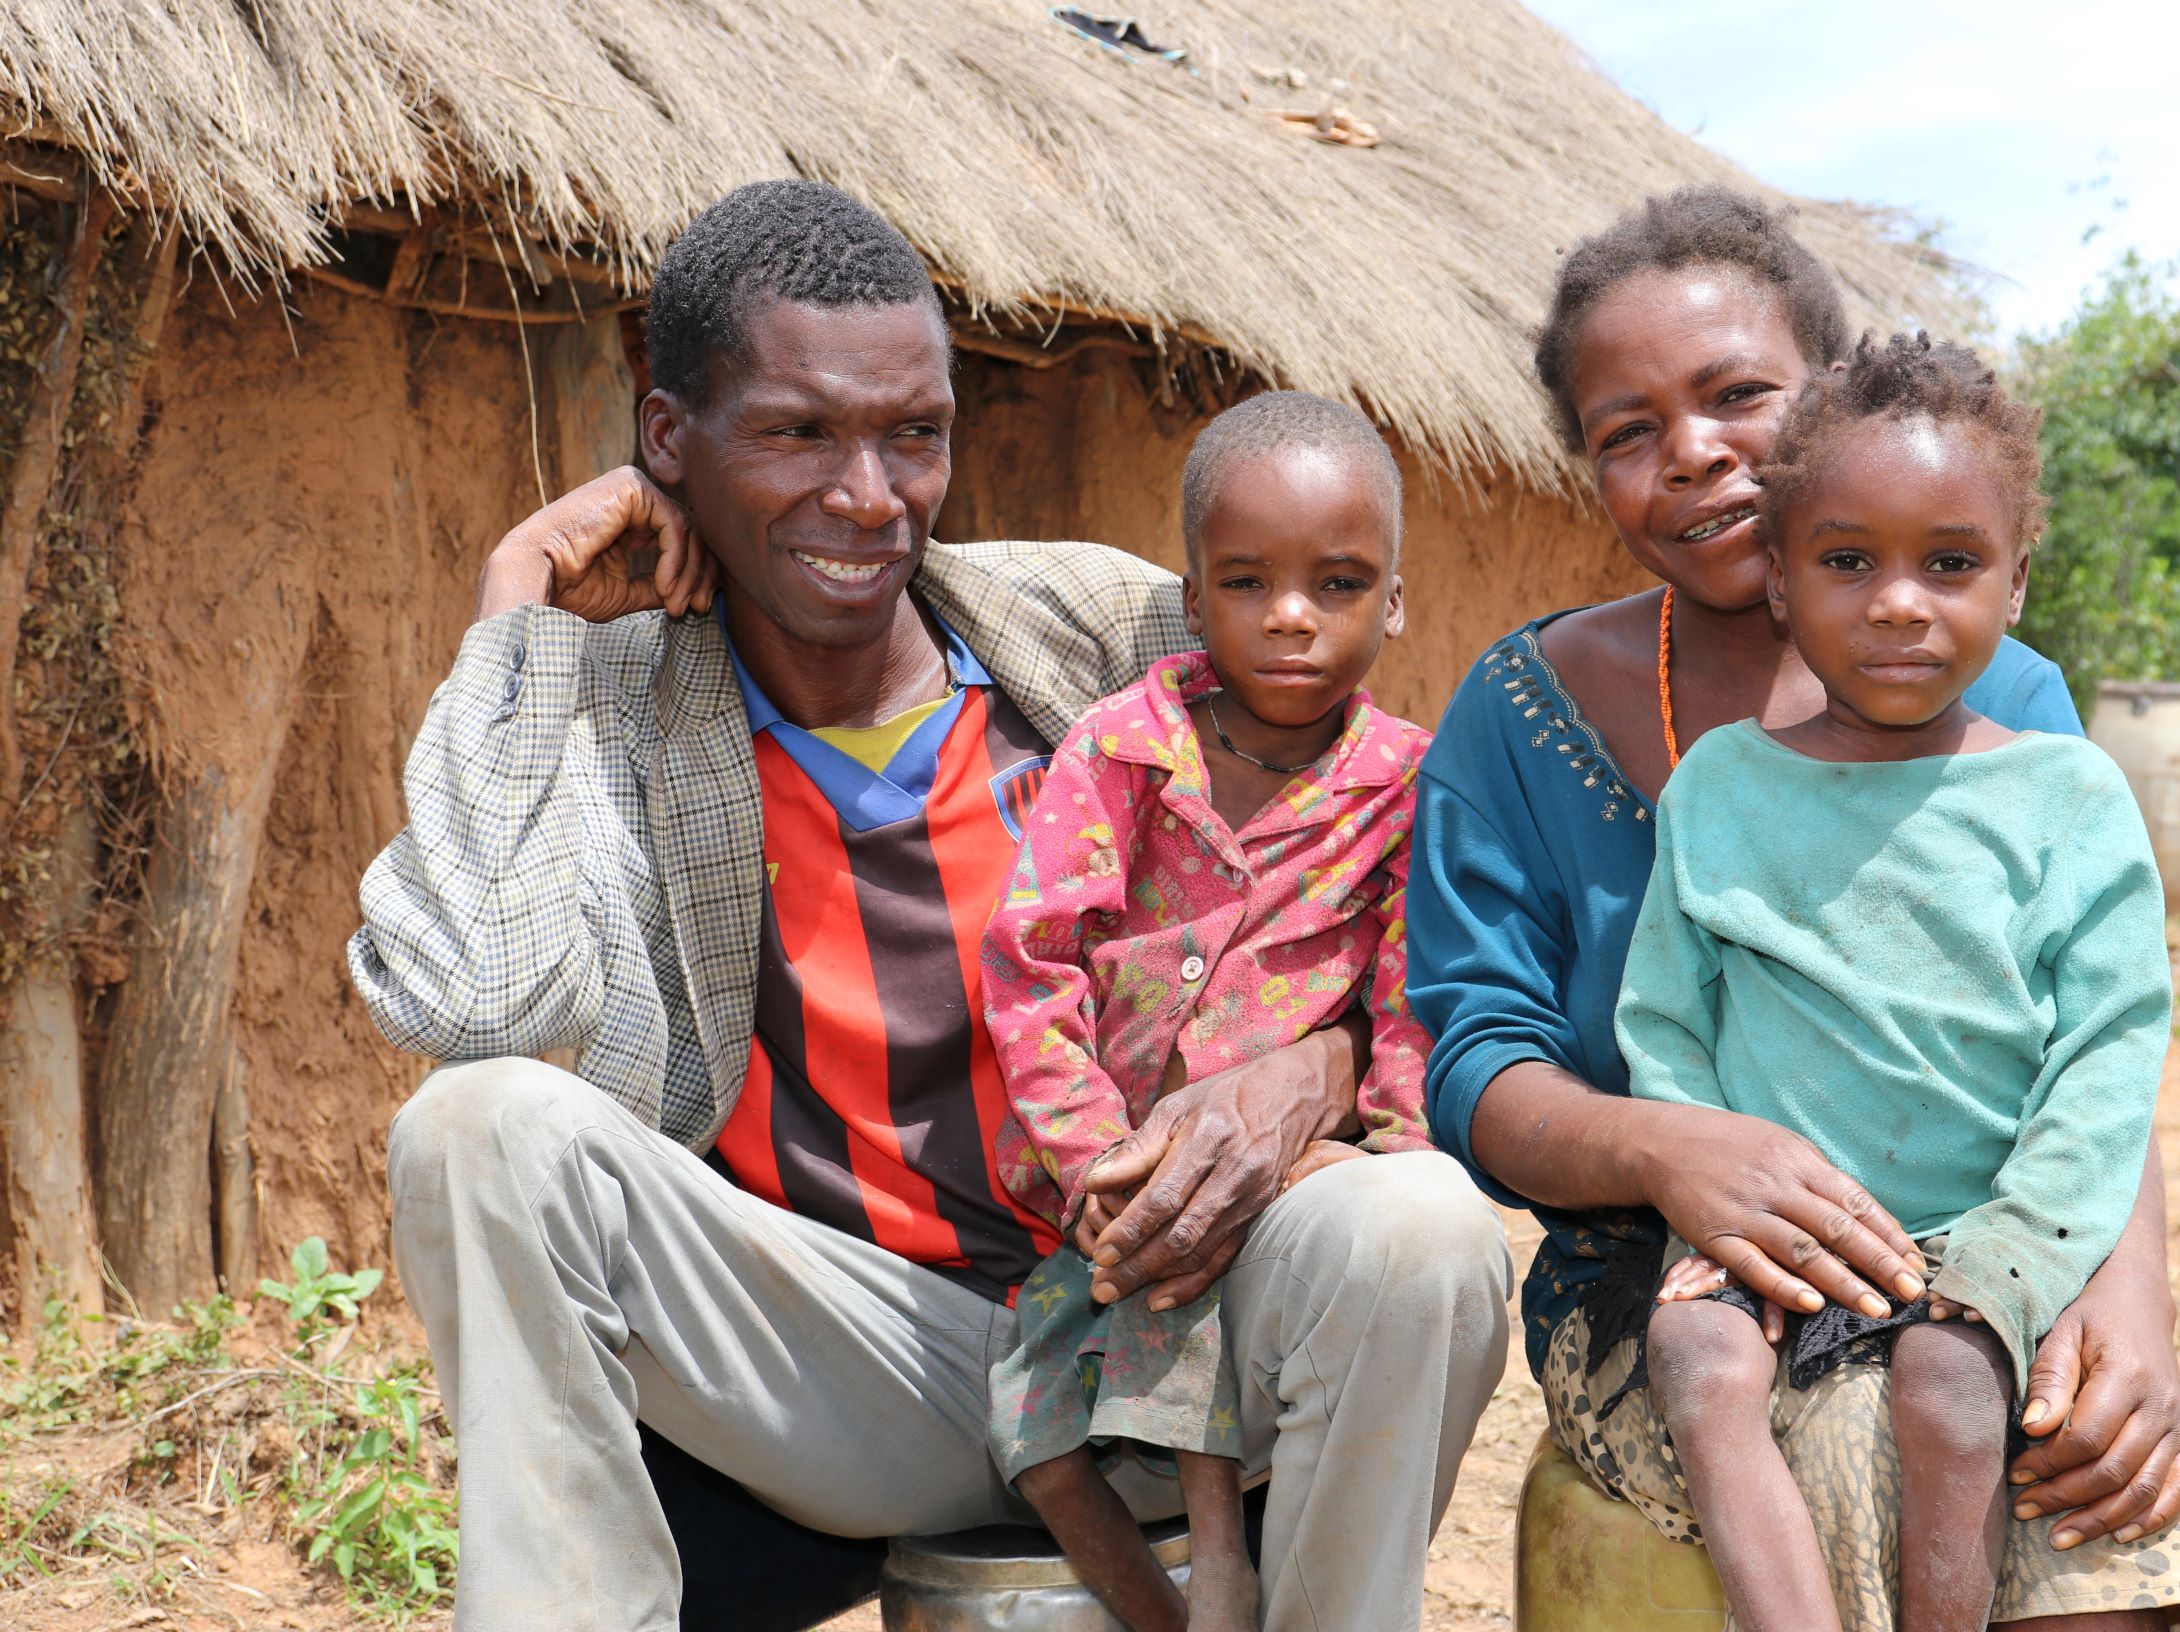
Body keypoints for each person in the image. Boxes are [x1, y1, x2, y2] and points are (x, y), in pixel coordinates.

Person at [350, 179, 1511, 1632]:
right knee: (476, 1128)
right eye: (795, 432)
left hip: (1169, 1330)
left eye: (915, 434)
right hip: (851, 1367)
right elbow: (472, 1004)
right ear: (668, 440)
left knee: (1419, 1225)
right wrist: (515, 609)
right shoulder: (600, 712)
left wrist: (1311, 1073)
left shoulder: (1107, 636)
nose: (868, 495)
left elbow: (1369, 889)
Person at [1406, 186, 2180, 1631]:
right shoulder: (1514, 712)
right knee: (1869, 1439)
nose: (1695, 453)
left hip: (1994, 1232)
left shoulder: (2006, 712)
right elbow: (1474, 1060)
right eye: (1628, 431)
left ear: (1829, 400)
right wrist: (1670, 1153)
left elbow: (2089, 1036)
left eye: (1740, 396)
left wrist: (2131, 1296)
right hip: (1673, 1276)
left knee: (2082, 1452)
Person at [1613, 333, 2168, 1632]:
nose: (1900, 602)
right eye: (1847, 561)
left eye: (1951, 564)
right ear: (1782, 586)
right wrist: (1722, 1203)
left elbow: (2109, 1053)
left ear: (2016, 583)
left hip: (1992, 1229)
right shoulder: (1721, 791)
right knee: (1693, 1356)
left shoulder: (2066, 798)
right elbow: (1666, 1023)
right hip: (1781, 1234)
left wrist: (2026, 1242)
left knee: (1949, 1383)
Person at [981, 391, 1439, 1632]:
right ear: (1194, 600)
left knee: (1207, 1368)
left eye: (1338, 584)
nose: (1291, 616)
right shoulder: (1119, 752)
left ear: (1392, 602)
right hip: (1096, 1195)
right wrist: (1093, 1164)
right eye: (1248, 582)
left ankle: (1227, 1570)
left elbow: (1406, 998)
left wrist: (1383, 1158)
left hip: (1271, 1179)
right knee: (1039, 1447)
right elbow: (1032, 961)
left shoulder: (1404, 787)